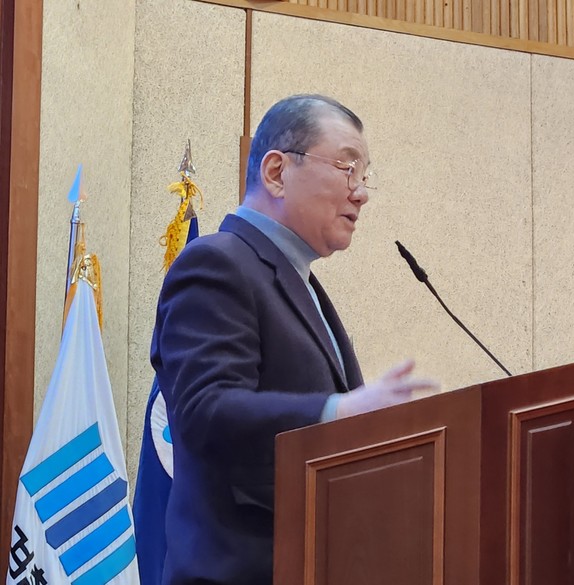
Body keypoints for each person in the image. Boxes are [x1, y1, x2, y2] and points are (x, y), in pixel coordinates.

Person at [150, 94, 437, 585]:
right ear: (277, 172)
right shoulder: (216, 264)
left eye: (364, 176)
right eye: (347, 168)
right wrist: (338, 412)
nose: (361, 193)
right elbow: (205, 410)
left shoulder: (303, 285)